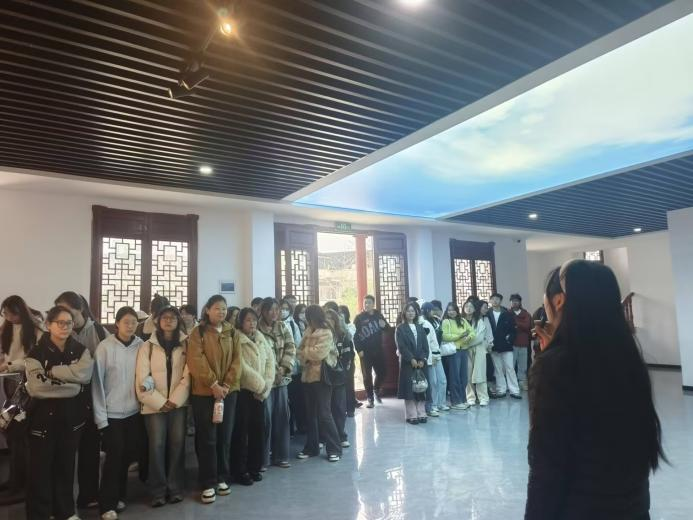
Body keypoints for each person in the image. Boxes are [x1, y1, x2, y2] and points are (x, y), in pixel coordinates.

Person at [526, 260, 666, 519]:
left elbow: (547, 465)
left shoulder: (555, 366)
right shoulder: (626, 356)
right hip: (632, 507)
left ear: (558, 301)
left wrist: (550, 360)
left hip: (580, 509)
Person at [24, 305, 94, 520]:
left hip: (71, 419)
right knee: (39, 470)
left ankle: (65, 511)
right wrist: (72, 386)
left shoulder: (80, 350)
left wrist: (52, 373)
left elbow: (84, 376)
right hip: (42, 420)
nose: (65, 327)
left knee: (65, 467)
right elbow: (37, 387)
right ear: (48, 325)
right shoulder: (36, 352)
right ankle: (40, 514)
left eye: (69, 323)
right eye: (60, 323)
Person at [54, 291, 109, 510]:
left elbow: (104, 368)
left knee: (89, 450)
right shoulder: (57, 332)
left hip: (90, 398)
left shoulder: (98, 332)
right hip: (63, 399)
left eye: (70, 312)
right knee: (64, 453)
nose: (66, 318)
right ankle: (61, 502)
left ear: (81, 310)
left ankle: (88, 495)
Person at [92, 306, 145, 520]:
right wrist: (100, 418)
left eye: (134, 322)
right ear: (117, 324)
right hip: (111, 414)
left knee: (126, 457)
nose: (130, 326)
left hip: (134, 412)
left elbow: (147, 373)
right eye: (126, 322)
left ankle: (119, 496)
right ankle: (106, 504)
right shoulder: (104, 348)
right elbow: (97, 384)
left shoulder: (141, 345)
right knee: (113, 458)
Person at [186, 295, 240, 504]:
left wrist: (226, 385)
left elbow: (238, 360)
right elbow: (195, 360)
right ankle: (208, 482)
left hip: (228, 392)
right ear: (207, 310)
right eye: (217, 308)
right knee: (207, 438)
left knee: (224, 436)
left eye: (224, 308)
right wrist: (213, 384)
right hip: (204, 393)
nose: (221, 312)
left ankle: (222, 477)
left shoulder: (232, 332)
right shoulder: (198, 332)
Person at [135, 306, 190, 507]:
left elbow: (188, 376)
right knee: (156, 446)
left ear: (178, 321)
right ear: (157, 321)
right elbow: (142, 378)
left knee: (177, 444)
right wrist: (160, 402)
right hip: (153, 406)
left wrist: (174, 400)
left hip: (178, 404)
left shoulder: (186, 344)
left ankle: (175, 488)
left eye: (173, 318)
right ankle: (158, 491)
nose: (168, 321)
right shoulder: (147, 346)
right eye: (164, 317)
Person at [0, 295, 43, 504]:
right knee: (10, 432)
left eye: (11, 314)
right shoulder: (7, 327)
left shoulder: (35, 329)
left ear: (20, 312)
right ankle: (14, 481)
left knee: (19, 435)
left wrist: (9, 365)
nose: (8, 317)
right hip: (10, 384)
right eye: (5, 314)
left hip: (26, 386)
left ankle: (22, 486)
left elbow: (33, 359)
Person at [230, 308, 274, 486]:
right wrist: (260, 386)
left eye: (254, 320)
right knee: (241, 432)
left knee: (258, 430)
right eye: (248, 320)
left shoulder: (261, 338)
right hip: (244, 392)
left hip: (260, 393)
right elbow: (241, 366)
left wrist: (266, 386)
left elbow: (270, 362)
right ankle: (240, 471)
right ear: (241, 322)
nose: (252, 323)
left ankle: (255, 467)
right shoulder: (236, 339)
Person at [296, 305, 342, 462]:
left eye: (308, 315)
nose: (305, 318)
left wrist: (305, 354)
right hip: (308, 377)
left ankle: (334, 449)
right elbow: (299, 350)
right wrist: (306, 354)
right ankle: (311, 448)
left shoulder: (326, 332)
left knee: (324, 413)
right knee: (310, 415)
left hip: (322, 378)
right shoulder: (308, 331)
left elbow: (319, 353)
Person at [258, 297, 295, 469]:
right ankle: (263, 459)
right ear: (263, 311)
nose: (274, 313)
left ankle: (281, 456)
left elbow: (290, 347)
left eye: (276, 309)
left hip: (281, 380)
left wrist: (283, 368)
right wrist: (272, 373)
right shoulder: (257, 329)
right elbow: (259, 354)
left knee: (282, 417)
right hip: (265, 381)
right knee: (265, 419)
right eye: (270, 310)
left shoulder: (282, 327)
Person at [396, 303, 429, 425]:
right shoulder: (400, 328)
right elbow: (401, 346)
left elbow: (425, 346)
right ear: (404, 313)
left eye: (413, 311)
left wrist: (422, 359)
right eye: (408, 311)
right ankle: (411, 415)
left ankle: (421, 413)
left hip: (421, 363)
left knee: (421, 388)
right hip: (407, 363)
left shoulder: (420, 327)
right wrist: (411, 359)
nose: (411, 313)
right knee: (409, 389)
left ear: (416, 313)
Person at [353, 295, 389, 408]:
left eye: (369, 303)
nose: (366, 305)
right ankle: (370, 398)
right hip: (365, 352)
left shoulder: (379, 315)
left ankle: (376, 389)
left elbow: (387, 329)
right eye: (365, 303)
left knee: (383, 372)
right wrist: (359, 350)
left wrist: (384, 325)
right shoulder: (359, 318)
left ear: (373, 304)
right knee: (367, 376)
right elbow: (355, 336)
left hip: (378, 350)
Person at [325, 309, 352, 447]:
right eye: (326, 318)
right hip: (324, 377)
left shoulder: (343, 335)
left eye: (331, 318)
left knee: (340, 408)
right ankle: (325, 437)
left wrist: (341, 367)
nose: (329, 321)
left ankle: (341, 436)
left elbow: (348, 356)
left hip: (339, 376)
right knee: (326, 409)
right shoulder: (321, 334)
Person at [441, 302, 475, 410]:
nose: (451, 312)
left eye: (453, 310)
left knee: (464, 377)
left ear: (457, 310)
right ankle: (455, 402)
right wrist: (460, 336)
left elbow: (472, 332)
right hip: (453, 351)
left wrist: (468, 337)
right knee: (454, 377)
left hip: (464, 350)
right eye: (449, 310)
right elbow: (444, 336)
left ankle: (463, 399)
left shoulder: (463, 320)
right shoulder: (446, 321)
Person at [487, 293, 520, 399]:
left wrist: (509, 339)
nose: (495, 301)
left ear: (501, 301)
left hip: (506, 345)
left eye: (497, 299)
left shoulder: (507, 313)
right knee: (498, 369)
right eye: (493, 299)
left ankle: (514, 391)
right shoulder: (487, 314)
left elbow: (513, 329)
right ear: (490, 301)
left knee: (510, 368)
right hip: (493, 345)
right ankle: (501, 389)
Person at [463, 300, 493, 407]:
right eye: (466, 306)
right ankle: (470, 397)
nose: (468, 308)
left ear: (475, 309)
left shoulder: (479, 321)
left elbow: (480, 337)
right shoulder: (461, 322)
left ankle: (483, 397)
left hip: (478, 349)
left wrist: (466, 344)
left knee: (480, 374)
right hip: (465, 351)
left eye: (471, 306)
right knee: (468, 374)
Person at [421, 302, 447, 415]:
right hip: (429, 357)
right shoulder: (423, 322)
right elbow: (428, 342)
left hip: (436, 354)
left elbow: (436, 340)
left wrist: (436, 354)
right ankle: (433, 405)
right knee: (433, 382)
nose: (434, 312)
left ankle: (441, 403)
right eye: (431, 310)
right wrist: (432, 355)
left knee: (442, 380)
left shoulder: (436, 321)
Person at [338, 305, 361, 414]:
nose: (340, 314)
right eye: (339, 312)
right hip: (338, 357)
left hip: (349, 357)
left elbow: (349, 336)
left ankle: (351, 408)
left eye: (342, 312)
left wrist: (342, 323)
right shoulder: (334, 327)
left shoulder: (351, 326)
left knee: (349, 383)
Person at [509, 294, 532, 391]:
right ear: (510, 302)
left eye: (516, 301)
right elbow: (507, 326)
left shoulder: (526, 314)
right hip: (511, 343)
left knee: (523, 365)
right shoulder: (508, 313)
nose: (514, 303)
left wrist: (515, 323)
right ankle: (511, 383)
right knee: (510, 365)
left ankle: (522, 382)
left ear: (520, 302)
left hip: (523, 342)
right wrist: (519, 325)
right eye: (512, 301)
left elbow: (527, 326)